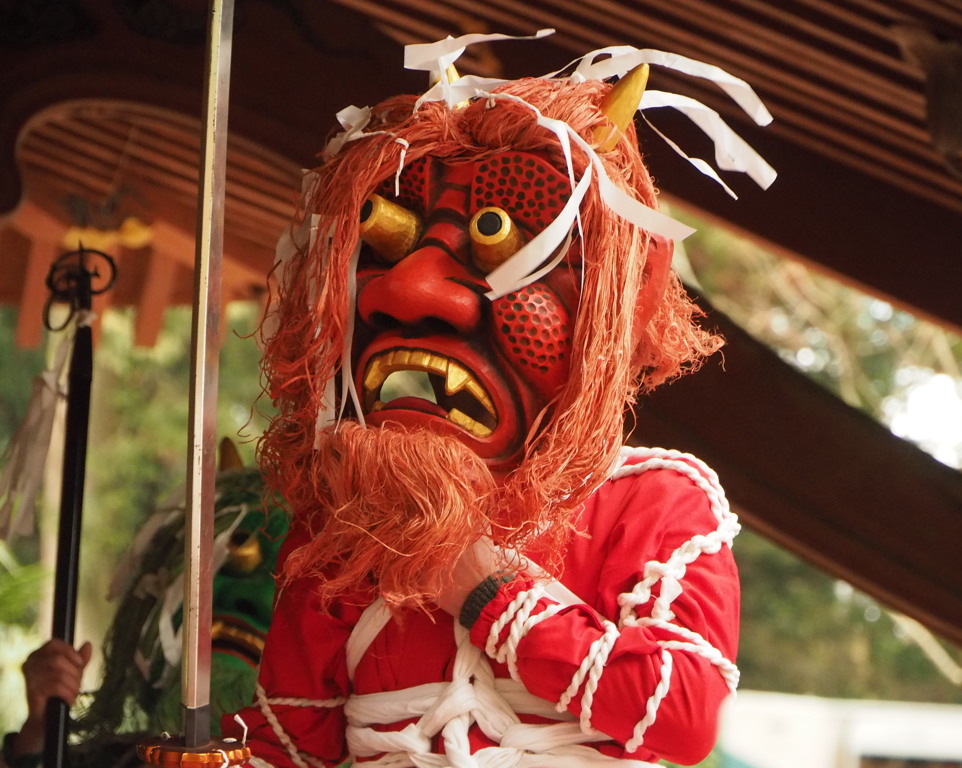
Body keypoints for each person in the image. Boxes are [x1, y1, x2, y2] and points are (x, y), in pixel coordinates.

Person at [223, 31, 774, 768]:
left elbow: (679, 714)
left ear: (611, 316)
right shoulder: (344, 522)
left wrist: (484, 591)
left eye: (499, 246)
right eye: (386, 245)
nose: (407, 290)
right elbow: (286, 747)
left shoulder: (654, 503)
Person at [2, 445, 288, 767]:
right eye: (233, 551)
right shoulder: (121, 760)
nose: (254, 599)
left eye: (288, 586)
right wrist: (41, 727)